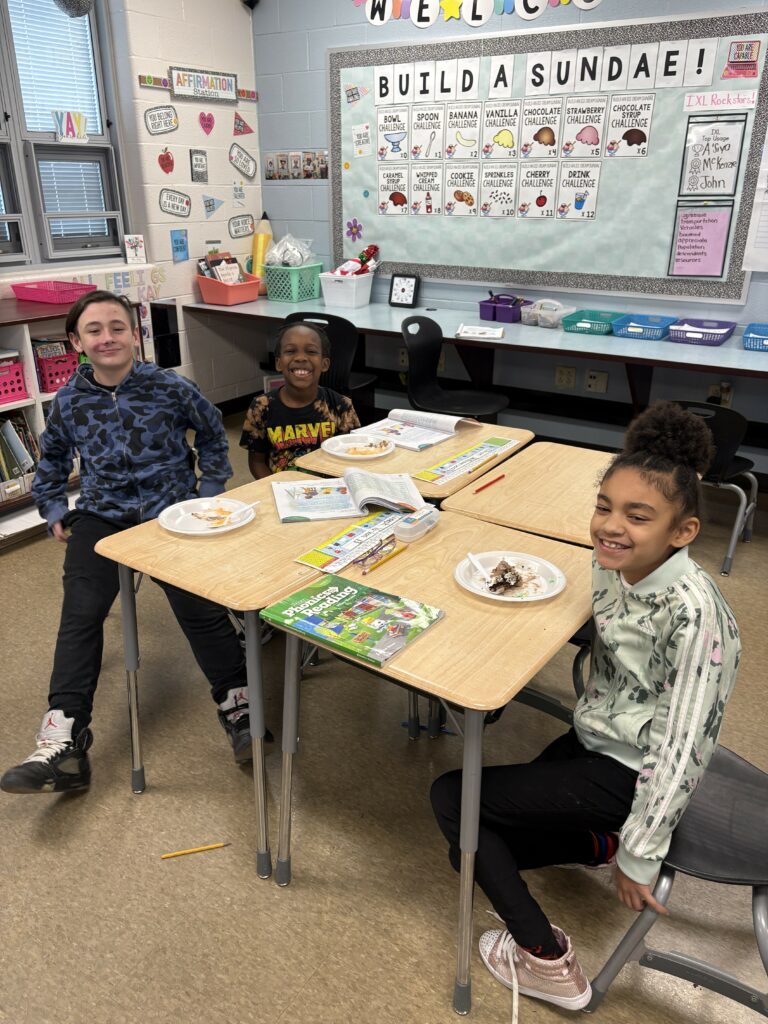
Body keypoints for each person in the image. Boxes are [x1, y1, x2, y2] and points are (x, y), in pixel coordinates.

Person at [430, 400, 741, 1014]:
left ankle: (549, 963)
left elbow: (682, 749)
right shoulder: (613, 565)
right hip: (598, 736)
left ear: (683, 533)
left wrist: (640, 855)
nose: (611, 526)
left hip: (634, 768)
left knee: (454, 803)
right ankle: (594, 842)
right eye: (605, 506)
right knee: (470, 847)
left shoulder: (699, 616)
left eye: (638, 516)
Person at [1, 291, 256, 796]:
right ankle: (65, 738)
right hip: (102, 517)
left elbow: (210, 434)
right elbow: (50, 463)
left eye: (118, 327)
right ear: (76, 342)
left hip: (173, 512)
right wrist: (53, 508)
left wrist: (208, 492)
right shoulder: (70, 400)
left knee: (198, 608)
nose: (107, 337)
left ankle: (240, 706)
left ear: (135, 334)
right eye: (94, 330)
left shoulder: (170, 387)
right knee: (81, 611)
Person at [240, 321, 360, 478]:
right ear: (278, 363)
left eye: (311, 351)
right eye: (290, 351)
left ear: (325, 364)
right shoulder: (261, 407)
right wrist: (274, 488)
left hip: (329, 491)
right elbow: (257, 463)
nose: (301, 358)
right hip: (280, 491)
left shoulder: (341, 406)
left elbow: (350, 457)